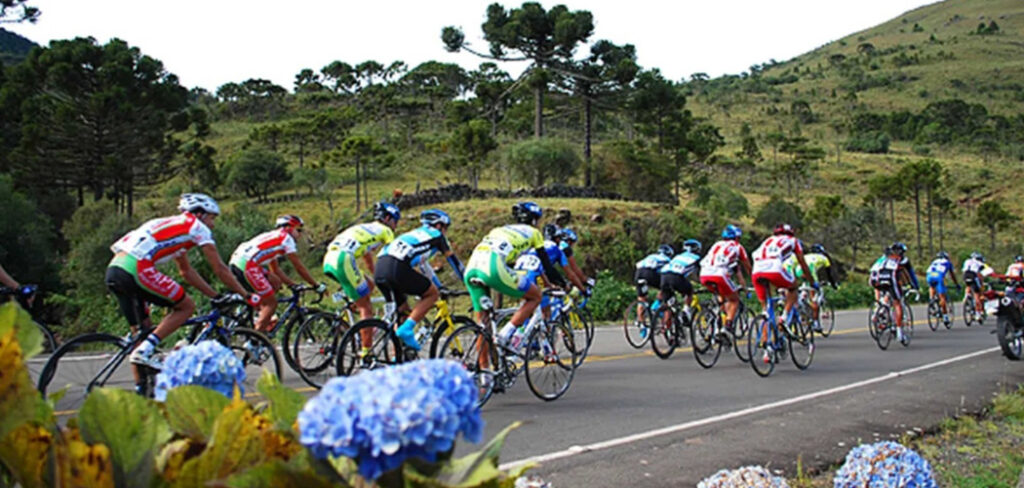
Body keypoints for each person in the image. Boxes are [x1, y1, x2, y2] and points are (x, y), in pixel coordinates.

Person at [106, 193, 255, 372]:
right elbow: (220, 269)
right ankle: (145, 352)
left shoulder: (172, 227)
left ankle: (143, 391)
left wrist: (215, 296)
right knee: (186, 307)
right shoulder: (197, 227)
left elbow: (186, 272)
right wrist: (245, 294)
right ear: (199, 214)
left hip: (115, 268)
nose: (213, 224)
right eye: (212, 218)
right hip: (136, 267)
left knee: (141, 338)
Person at [465, 202, 566, 353]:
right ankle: (505, 335)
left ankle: (486, 374)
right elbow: (546, 265)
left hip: (472, 266)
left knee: (483, 326)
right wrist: (561, 283)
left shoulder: (499, 229)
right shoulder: (534, 233)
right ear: (534, 220)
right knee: (535, 296)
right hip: (492, 266)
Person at [375, 208, 465, 351]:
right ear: (439, 225)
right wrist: (467, 282)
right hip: (397, 266)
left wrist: (439, 285)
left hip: (380, 268)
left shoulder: (415, 234)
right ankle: (407, 330)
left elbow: (424, 267)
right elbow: (454, 262)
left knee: (403, 311)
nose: (446, 232)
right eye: (445, 228)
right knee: (432, 294)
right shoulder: (437, 236)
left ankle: (398, 356)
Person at [229, 214, 326, 333]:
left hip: (237, 261)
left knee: (275, 282)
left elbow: (275, 270)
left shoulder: (273, 238)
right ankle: (256, 340)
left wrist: (292, 284)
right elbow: (299, 267)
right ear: (289, 228)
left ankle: (258, 314)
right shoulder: (286, 239)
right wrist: (315, 285)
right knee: (271, 303)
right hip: (248, 265)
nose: (300, 234)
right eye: (298, 230)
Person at [323, 201, 400, 322]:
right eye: (395, 222)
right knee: (366, 307)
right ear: (387, 218)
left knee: (369, 284)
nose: (396, 226)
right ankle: (366, 335)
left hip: (329, 259)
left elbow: (368, 260)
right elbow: (393, 255)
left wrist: (378, 277)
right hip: (343, 258)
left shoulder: (366, 228)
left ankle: (352, 325)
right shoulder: (386, 230)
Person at [751, 224, 816, 331]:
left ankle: (765, 342)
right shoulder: (793, 241)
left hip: (757, 269)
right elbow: (802, 263)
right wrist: (812, 282)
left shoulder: (768, 240)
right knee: (793, 287)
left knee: (767, 310)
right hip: (774, 267)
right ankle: (784, 318)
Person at [699, 224, 752, 331]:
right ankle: (727, 327)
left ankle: (717, 316)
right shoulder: (737, 247)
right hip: (719, 274)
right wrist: (753, 280)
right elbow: (748, 267)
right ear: (737, 237)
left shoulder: (717, 245)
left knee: (722, 296)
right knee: (734, 300)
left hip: (703, 274)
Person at [783, 243, 839, 332]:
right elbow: (829, 273)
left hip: (798, 270)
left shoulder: (807, 256)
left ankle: (801, 302)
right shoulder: (824, 258)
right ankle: (816, 323)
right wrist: (834, 284)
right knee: (814, 298)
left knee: (801, 288)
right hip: (810, 270)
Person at [657, 239, 702, 327]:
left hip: (663, 276)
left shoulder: (677, 256)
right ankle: (686, 311)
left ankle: (667, 329)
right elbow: (699, 274)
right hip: (676, 277)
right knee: (689, 291)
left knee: (669, 305)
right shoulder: (696, 258)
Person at [869, 246, 907, 336]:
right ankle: (899, 331)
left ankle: (878, 307)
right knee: (896, 301)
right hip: (889, 278)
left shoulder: (880, 260)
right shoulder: (897, 260)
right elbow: (902, 275)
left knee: (880, 290)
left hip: (874, 278)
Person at [926, 251, 960, 324]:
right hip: (939, 276)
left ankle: (931, 299)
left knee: (932, 286)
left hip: (929, 276)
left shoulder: (934, 261)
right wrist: (956, 284)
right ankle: (945, 317)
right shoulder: (948, 262)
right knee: (942, 297)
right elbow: (952, 275)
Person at [962, 251, 992, 317]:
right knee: (977, 294)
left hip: (965, 275)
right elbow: (980, 275)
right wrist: (981, 284)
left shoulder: (967, 261)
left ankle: (966, 295)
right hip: (973, 275)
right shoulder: (979, 263)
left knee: (968, 285)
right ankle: (978, 313)